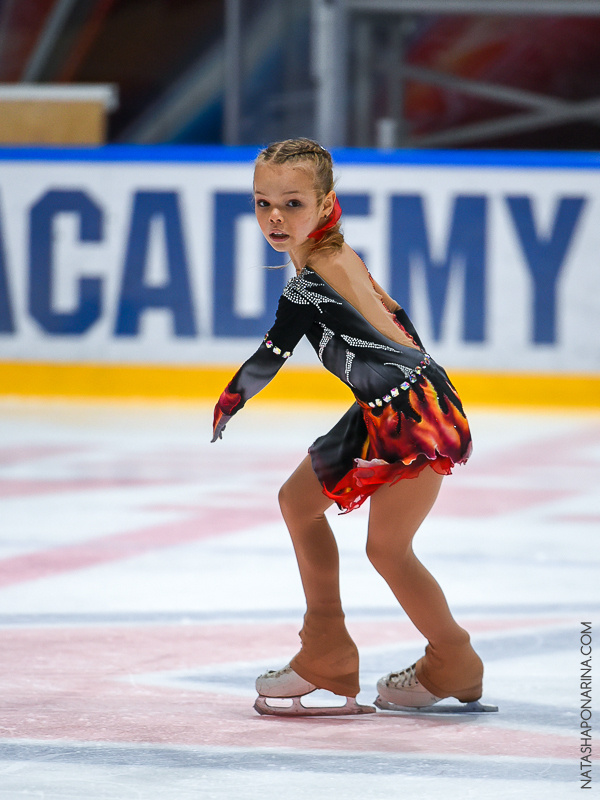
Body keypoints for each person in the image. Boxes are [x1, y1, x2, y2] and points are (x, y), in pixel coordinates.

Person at [212, 138, 484, 716]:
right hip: (382, 408)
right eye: (263, 203)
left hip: (414, 415)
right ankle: (327, 649)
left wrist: (228, 402)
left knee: (387, 549)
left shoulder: (312, 280)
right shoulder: (335, 253)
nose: (275, 217)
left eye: (292, 203)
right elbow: (397, 317)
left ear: (324, 202)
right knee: (297, 502)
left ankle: (453, 659)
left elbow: (272, 353)